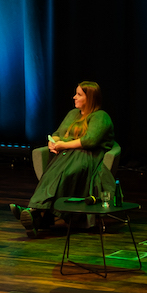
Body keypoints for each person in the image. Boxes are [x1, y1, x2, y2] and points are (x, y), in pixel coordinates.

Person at [10, 82, 114, 234]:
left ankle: (37, 214)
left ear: (90, 98)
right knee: (51, 174)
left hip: (87, 157)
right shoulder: (73, 114)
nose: (74, 97)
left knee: (67, 174)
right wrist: (52, 142)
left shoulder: (100, 116)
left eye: (79, 94)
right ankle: (35, 212)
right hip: (66, 156)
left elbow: (89, 141)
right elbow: (58, 133)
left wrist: (63, 145)